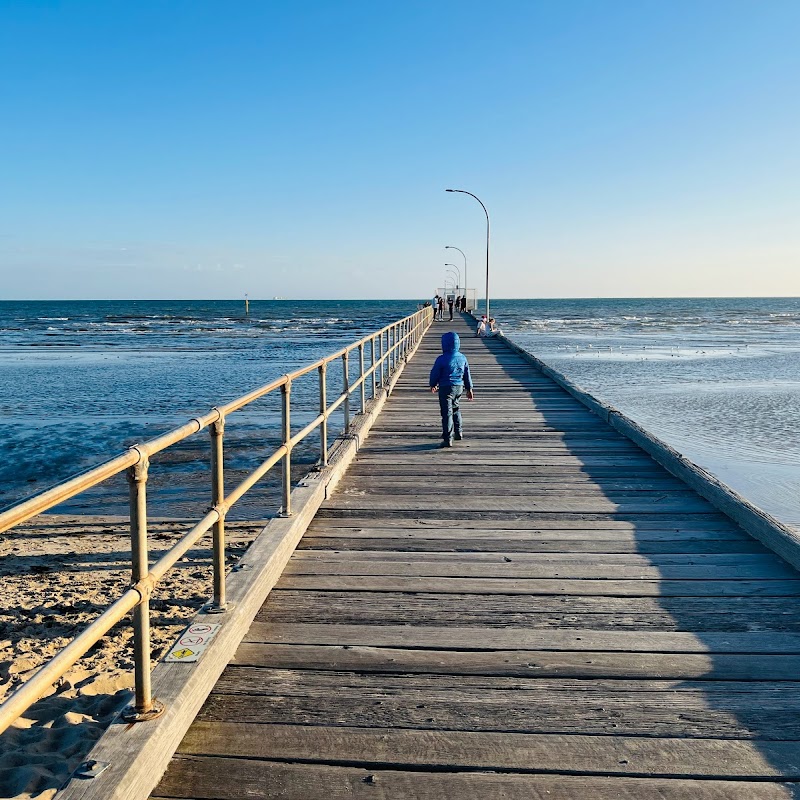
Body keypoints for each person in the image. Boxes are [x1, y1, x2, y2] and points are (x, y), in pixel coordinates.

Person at [429, 331, 474, 448]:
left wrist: (433, 384)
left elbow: (435, 373)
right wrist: (469, 388)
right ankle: (459, 432)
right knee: (456, 408)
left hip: (445, 387)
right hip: (459, 387)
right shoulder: (462, 357)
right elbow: (467, 374)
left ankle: (447, 438)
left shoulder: (441, 359)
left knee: (446, 413)